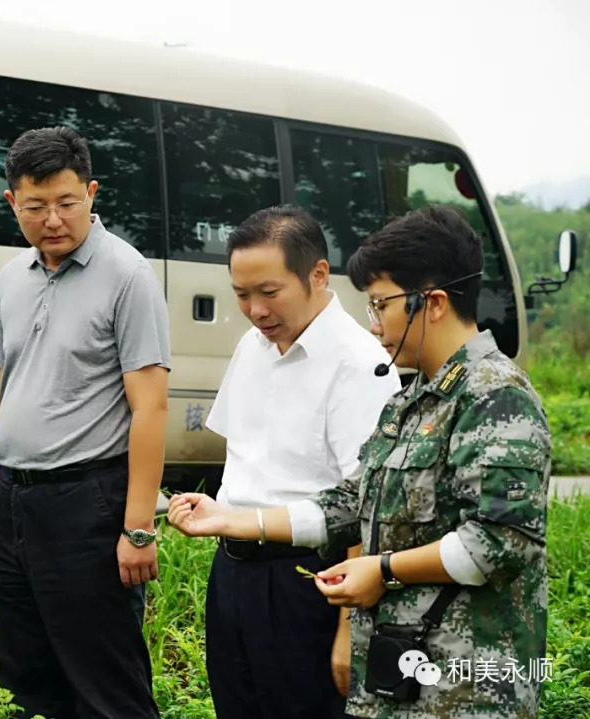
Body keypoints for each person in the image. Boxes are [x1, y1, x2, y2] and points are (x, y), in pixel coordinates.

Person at [168, 204, 551, 718]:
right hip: (405, 666)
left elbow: (499, 542)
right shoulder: (412, 402)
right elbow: (351, 502)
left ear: (432, 303)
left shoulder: (494, 395)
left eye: (380, 306)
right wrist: (233, 519)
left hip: (465, 681)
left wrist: (384, 571)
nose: (372, 325)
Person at [0, 126, 171, 719]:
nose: (53, 219)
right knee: (29, 673)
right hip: (13, 497)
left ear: (91, 193)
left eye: (66, 203)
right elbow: (8, 383)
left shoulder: (128, 276)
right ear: (14, 203)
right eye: (36, 207)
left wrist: (137, 527)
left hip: (86, 500)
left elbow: (151, 406)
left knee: (104, 679)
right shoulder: (11, 278)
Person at [195, 205, 400, 718]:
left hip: (308, 581)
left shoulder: (359, 363)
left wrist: (347, 630)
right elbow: (244, 458)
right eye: (242, 295)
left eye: (269, 292)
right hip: (233, 574)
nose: (256, 310)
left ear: (317, 274)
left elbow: (367, 504)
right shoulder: (251, 345)